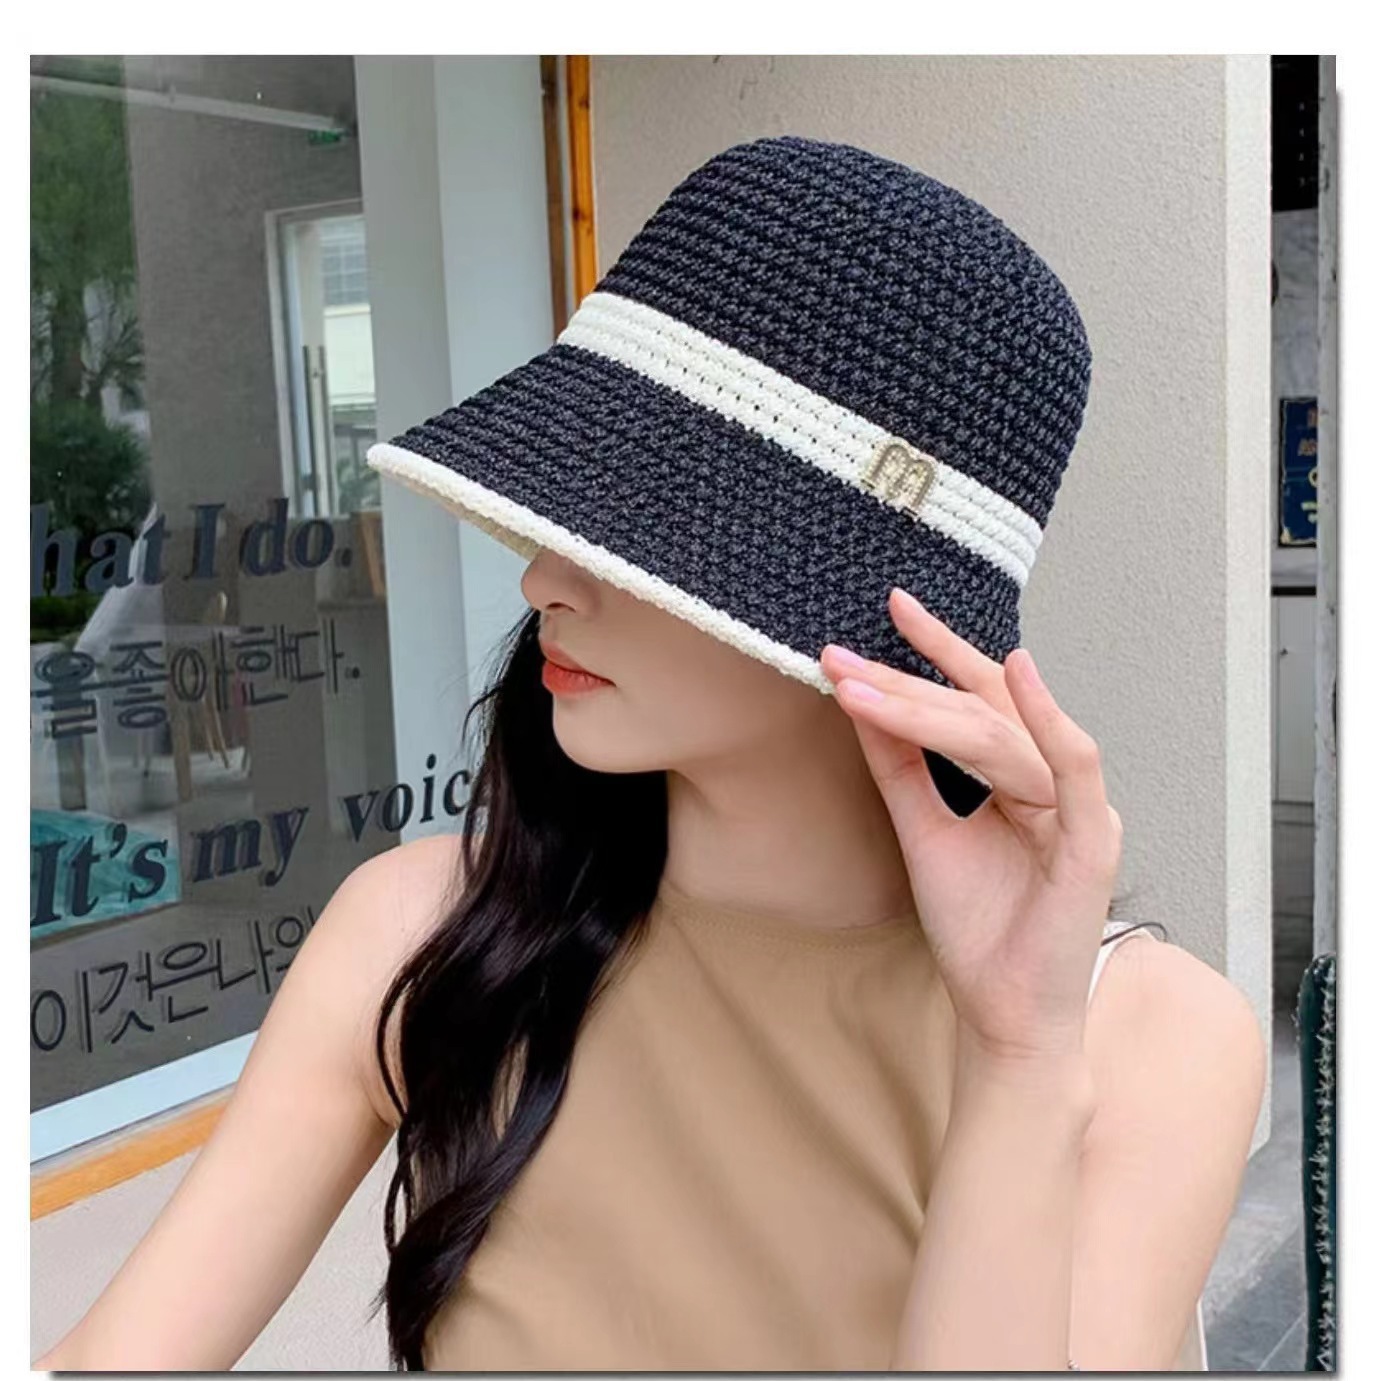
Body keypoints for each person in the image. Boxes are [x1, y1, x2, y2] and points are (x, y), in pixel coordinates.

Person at [34, 134, 1265, 1373]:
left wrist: (1014, 1060)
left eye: (647, 532)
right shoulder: (427, 934)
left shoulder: (1146, 1039)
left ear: (851, 597)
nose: (543, 579)